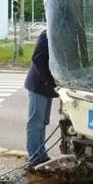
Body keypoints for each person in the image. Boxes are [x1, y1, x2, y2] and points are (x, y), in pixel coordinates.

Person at [24, 29, 58, 167]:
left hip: (47, 86)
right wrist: (48, 80)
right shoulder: (48, 33)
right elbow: (37, 58)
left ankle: (41, 154)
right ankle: (34, 157)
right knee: (35, 122)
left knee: (43, 122)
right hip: (39, 84)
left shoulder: (57, 33)